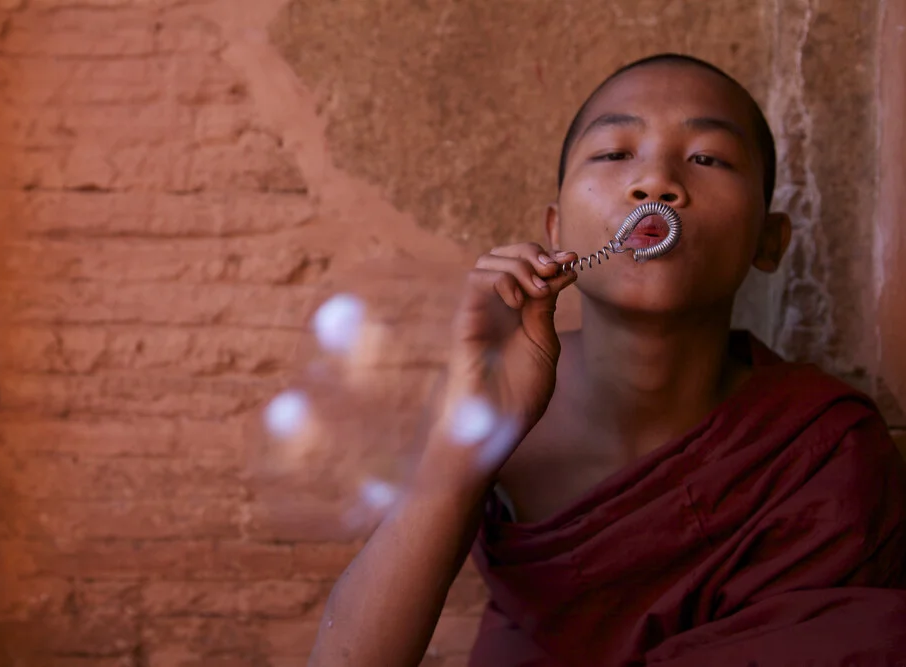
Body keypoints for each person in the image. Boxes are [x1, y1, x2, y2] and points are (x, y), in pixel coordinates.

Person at [306, 53, 906, 666]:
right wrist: (463, 440)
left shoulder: (826, 449)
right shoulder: (483, 400)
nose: (656, 183)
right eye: (615, 153)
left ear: (768, 241)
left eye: (707, 158)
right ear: (557, 227)